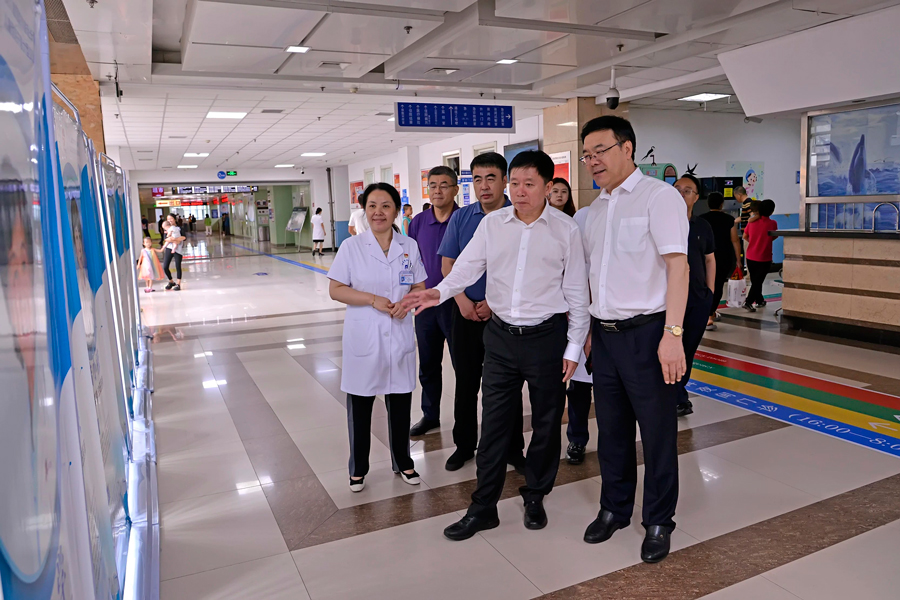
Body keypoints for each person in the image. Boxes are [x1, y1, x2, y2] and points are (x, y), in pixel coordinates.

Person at [404, 150, 590, 540]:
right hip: (501, 338)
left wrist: (574, 348)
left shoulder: (566, 230)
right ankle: (483, 507)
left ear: (548, 187)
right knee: (493, 425)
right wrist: (437, 293)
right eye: (515, 183)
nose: (519, 192)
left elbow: (576, 292)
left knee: (545, 424)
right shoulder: (493, 225)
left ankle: (535, 494)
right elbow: (466, 267)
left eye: (529, 184)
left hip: (546, 339)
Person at [577, 116, 689, 564]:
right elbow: (593, 276)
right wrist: (589, 330)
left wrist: (673, 335)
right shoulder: (596, 210)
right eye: (587, 155)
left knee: (657, 432)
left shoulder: (658, 198)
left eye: (600, 151)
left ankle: (658, 520)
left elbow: (678, 268)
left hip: (648, 334)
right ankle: (614, 508)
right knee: (612, 430)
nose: (592, 161)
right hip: (604, 338)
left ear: (627, 148)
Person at [327, 183, 427, 492]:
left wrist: (406, 304)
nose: (378, 212)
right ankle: (358, 468)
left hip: (398, 333)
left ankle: (403, 462)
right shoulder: (352, 247)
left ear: (396, 210)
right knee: (360, 406)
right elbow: (336, 289)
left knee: (400, 403)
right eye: (372, 206)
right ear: (365, 211)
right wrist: (372, 300)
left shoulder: (409, 246)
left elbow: (419, 287)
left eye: (385, 206)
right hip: (365, 335)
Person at [437, 152, 524, 472]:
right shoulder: (462, 218)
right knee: (466, 382)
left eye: (491, 178)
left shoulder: (519, 217)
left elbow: (523, 270)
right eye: (477, 179)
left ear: (505, 181)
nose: (484, 186)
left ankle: (513, 448)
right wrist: (461, 300)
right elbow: (448, 265)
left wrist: (494, 302)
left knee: (507, 385)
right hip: (465, 314)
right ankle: (464, 445)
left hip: (504, 317)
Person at [407, 166, 459, 436]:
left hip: (457, 304)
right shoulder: (418, 222)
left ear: (455, 189)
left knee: (464, 366)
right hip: (426, 305)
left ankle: (464, 421)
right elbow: (410, 260)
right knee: (428, 363)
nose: (438, 191)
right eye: (433, 185)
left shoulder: (465, 219)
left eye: (444, 185)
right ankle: (430, 415)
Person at [673, 175, 716, 418]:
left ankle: (679, 392)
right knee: (671, 346)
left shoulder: (702, 227)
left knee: (688, 349)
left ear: (696, 197)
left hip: (697, 299)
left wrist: (710, 293)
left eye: (687, 190)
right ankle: (675, 396)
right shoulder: (661, 222)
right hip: (668, 301)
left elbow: (710, 259)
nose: (681, 194)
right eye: (677, 189)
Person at [561, 205, 594, 465]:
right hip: (578, 322)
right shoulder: (582, 217)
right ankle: (577, 439)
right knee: (579, 389)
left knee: (609, 393)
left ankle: (613, 442)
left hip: (608, 325)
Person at [700, 192, 741, 330]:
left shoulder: (701, 219)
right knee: (717, 285)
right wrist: (738, 259)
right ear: (722, 204)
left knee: (704, 285)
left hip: (704, 257)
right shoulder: (729, 219)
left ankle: (705, 314)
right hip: (723, 257)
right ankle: (710, 315)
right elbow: (735, 240)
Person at [742, 199, 778, 311]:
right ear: (771, 211)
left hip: (750, 257)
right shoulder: (772, 223)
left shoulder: (751, 222)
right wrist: (764, 242)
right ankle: (748, 302)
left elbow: (744, 236)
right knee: (758, 281)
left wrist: (754, 242)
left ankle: (759, 300)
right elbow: (774, 236)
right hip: (764, 258)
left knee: (756, 281)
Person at [162, 216, 186, 291]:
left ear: (174, 219)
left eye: (171, 218)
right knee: (165, 266)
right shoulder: (167, 229)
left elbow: (184, 237)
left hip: (178, 249)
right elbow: (166, 239)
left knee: (178, 266)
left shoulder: (179, 228)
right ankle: (171, 281)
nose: (169, 220)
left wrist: (174, 239)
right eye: (168, 219)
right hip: (169, 248)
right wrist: (176, 240)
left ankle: (178, 284)